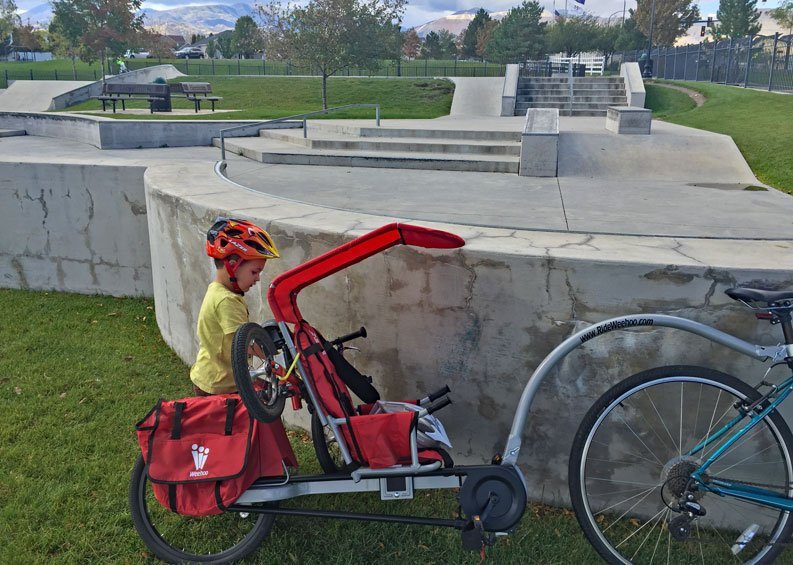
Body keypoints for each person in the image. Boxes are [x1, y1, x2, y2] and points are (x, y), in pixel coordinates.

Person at [190, 217, 280, 396]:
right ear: (232, 264)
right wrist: (276, 361)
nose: (258, 278)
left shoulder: (221, 292)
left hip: (221, 378)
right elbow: (243, 343)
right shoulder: (226, 301)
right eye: (254, 272)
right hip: (218, 385)